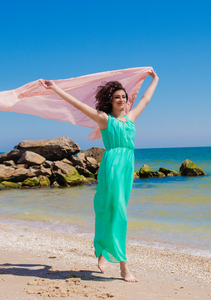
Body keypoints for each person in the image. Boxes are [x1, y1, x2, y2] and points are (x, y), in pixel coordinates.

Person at [41, 70, 159, 282]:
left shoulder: (130, 119)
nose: (122, 100)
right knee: (118, 212)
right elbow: (77, 105)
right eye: (117, 97)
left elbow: (147, 99)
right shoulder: (105, 119)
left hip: (126, 168)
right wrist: (55, 88)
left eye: (124, 97)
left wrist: (155, 79)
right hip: (112, 166)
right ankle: (124, 267)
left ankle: (102, 251)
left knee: (111, 210)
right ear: (111, 101)